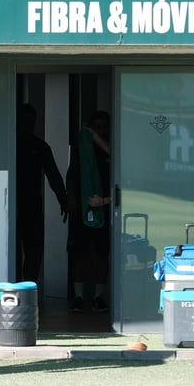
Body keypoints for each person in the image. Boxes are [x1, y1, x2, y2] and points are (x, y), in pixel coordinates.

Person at [16, 104, 67, 288]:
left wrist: (63, 199)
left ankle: (28, 288)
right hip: (11, 204)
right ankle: (13, 288)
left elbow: (53, 175)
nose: (28, 124)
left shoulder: (39, 146)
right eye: (24, 120)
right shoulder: (9, 144)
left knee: (33, 250)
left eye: (31, 121)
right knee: (10, 248)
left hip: (32, 204)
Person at [68, 110, 111, 313]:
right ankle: (77, 297)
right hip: (82, 209)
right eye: (97, 128)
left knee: (103, 254)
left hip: (107, 209)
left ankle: (98, 297)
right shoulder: (82, 149)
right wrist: (70, 199)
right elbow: (72, 174)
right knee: (80, 254)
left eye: (104, 127)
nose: (101, 131)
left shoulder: (111, 150)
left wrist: (104, 202)